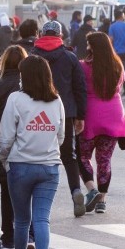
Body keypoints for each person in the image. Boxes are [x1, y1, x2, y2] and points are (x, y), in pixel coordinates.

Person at [0, 54, 65, 249]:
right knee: (42, 220)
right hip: (49, 167)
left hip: (20, 167)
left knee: (22, 220)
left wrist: (4, 159)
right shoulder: (56, 101)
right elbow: (61, 136)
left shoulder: (16, 99)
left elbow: (6, 138)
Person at [31, 20, 87, 217]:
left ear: (42, 34)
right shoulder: (70, 58)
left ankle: (38, 204)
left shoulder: (33, 56)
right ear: (60, 35)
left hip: (37, 113)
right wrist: (80, 115)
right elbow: (80, 88)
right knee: (69, 156)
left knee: (38, 156)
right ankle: (76, 191)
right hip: (66, 113)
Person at [0, 45, 36, 249]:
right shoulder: (32, 87)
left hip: (2, 146)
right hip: (28, 145)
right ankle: (30, 236)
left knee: (7, 193)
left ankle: (8, 238)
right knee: (29, 193)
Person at [78, 33, 125, 214]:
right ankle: (102, 200)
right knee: (105, 159)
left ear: (92, 47)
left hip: (91, 116)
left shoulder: (83, 67)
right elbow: (120, 88)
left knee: (82, 156)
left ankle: (91, 189)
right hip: (114, 114)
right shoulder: (118, 65)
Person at [107, 10, 125, 97]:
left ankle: (117, 89)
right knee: (124, 69)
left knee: (117, 70)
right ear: (121, 16)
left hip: (116, 51)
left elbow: (110, 40)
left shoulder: (112, 27)